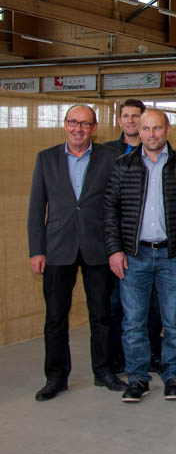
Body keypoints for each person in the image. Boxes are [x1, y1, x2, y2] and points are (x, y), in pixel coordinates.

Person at [104, 109, 176, 403]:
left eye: (157, 128)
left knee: (174, 320)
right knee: (133, 322)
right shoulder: (123, 165)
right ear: (139, 131)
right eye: (146, 128)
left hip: (172, 256)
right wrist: (114, 250)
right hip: (133, 256)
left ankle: (173, 375)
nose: (151, 134)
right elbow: (110, 211)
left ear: (167, 129)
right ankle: (138, 378)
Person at [27, 104, 127, 401]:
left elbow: (118, 206)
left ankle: (104, 371)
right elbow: (36, 207)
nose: (78, 129)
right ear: (65, 124)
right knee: (55, 318)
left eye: (84, 124)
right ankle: (56, 377)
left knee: (102, 315)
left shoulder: (111, 157)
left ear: (94, 128)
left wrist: (117, 248)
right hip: (58, 249)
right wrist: (37, 250)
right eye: (73, 122)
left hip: (99, 248)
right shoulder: (46, 158)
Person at [103, 98, 163, 375]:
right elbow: (110, 204)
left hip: (156, 247)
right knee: (119, 306)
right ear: (120, 121)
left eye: (135, 116)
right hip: (123, 246)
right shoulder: (107, 154)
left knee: (154, 307)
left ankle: (153, 354)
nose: (130, 120)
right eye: (125, 116)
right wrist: (114, 245)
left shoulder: (161, 154)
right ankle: (120, 357)